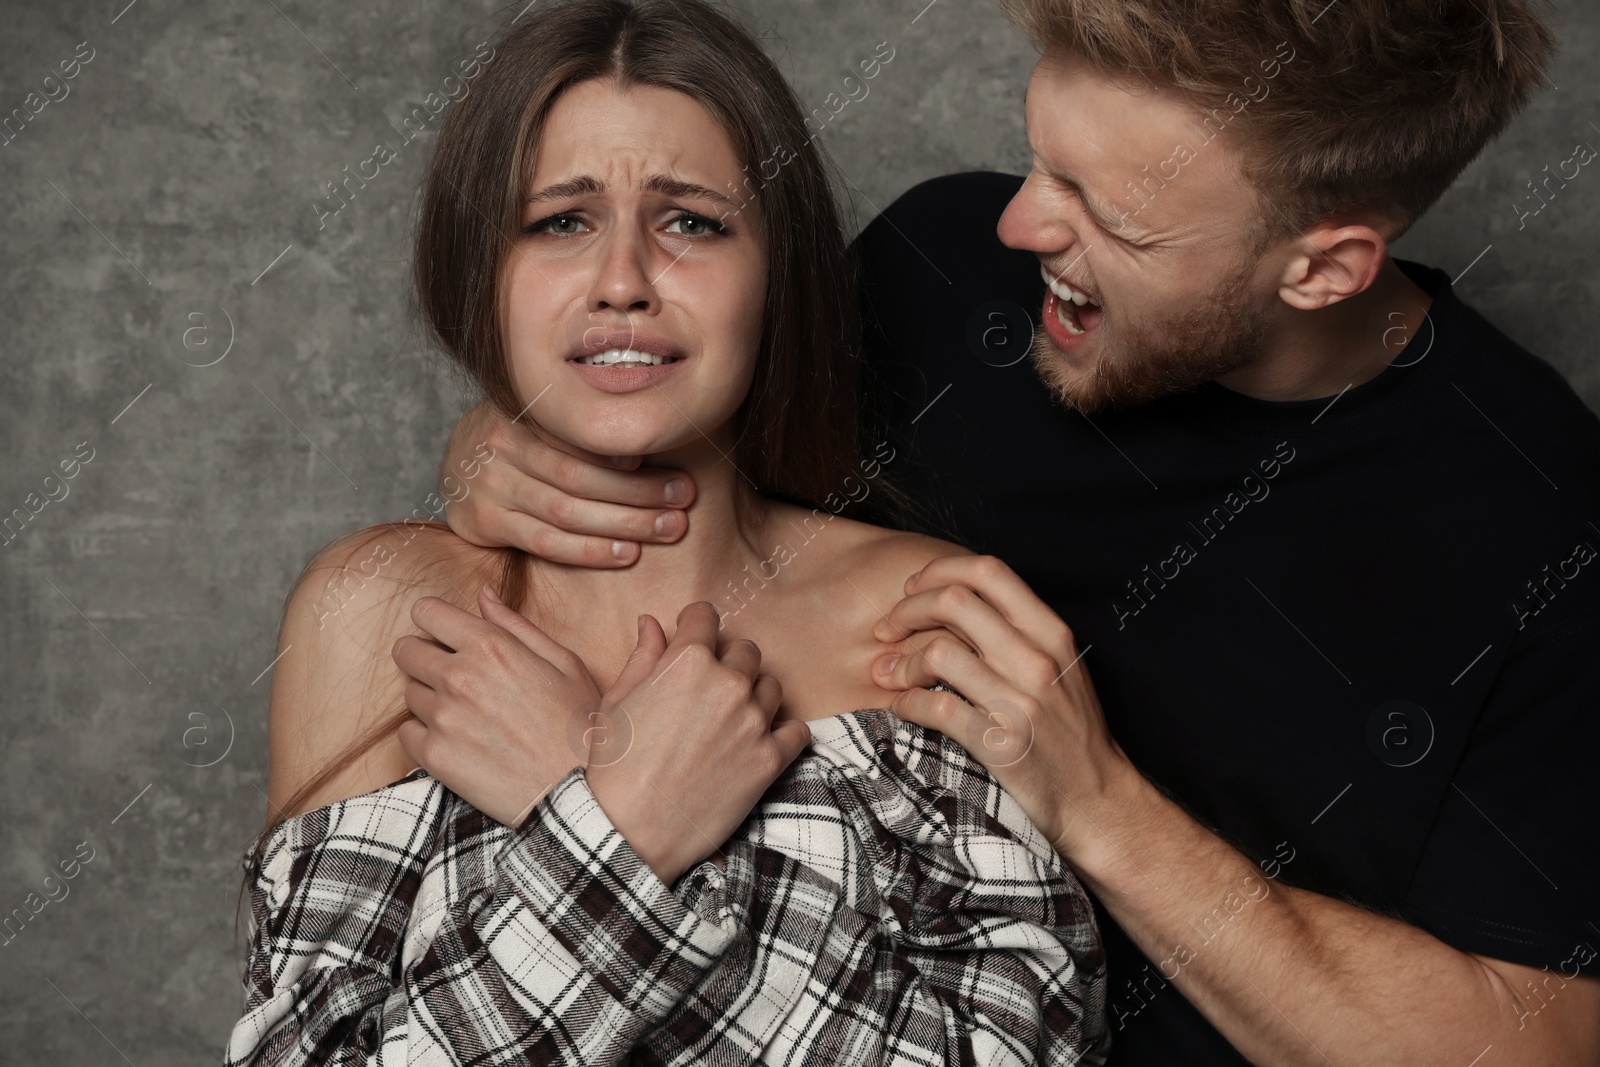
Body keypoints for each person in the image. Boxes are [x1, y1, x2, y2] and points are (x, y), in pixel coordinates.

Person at [437, 0, 1600, 1064]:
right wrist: (519, 440)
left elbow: (1532, 1046)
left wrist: (1096, 802)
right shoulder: (935, 275)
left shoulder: (1541, 522)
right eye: (1042, 155)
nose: (1020, 219)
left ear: (1323, 269)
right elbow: (681, 432)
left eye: (1109, 215)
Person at [227, 1, 1109, 1064]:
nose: (622, 281)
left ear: (774, 273)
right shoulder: (379, 609)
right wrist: (618, 825)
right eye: (559, 221)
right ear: (481, 270)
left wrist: (587, 802)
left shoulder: (934, 616)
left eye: (691, 221)